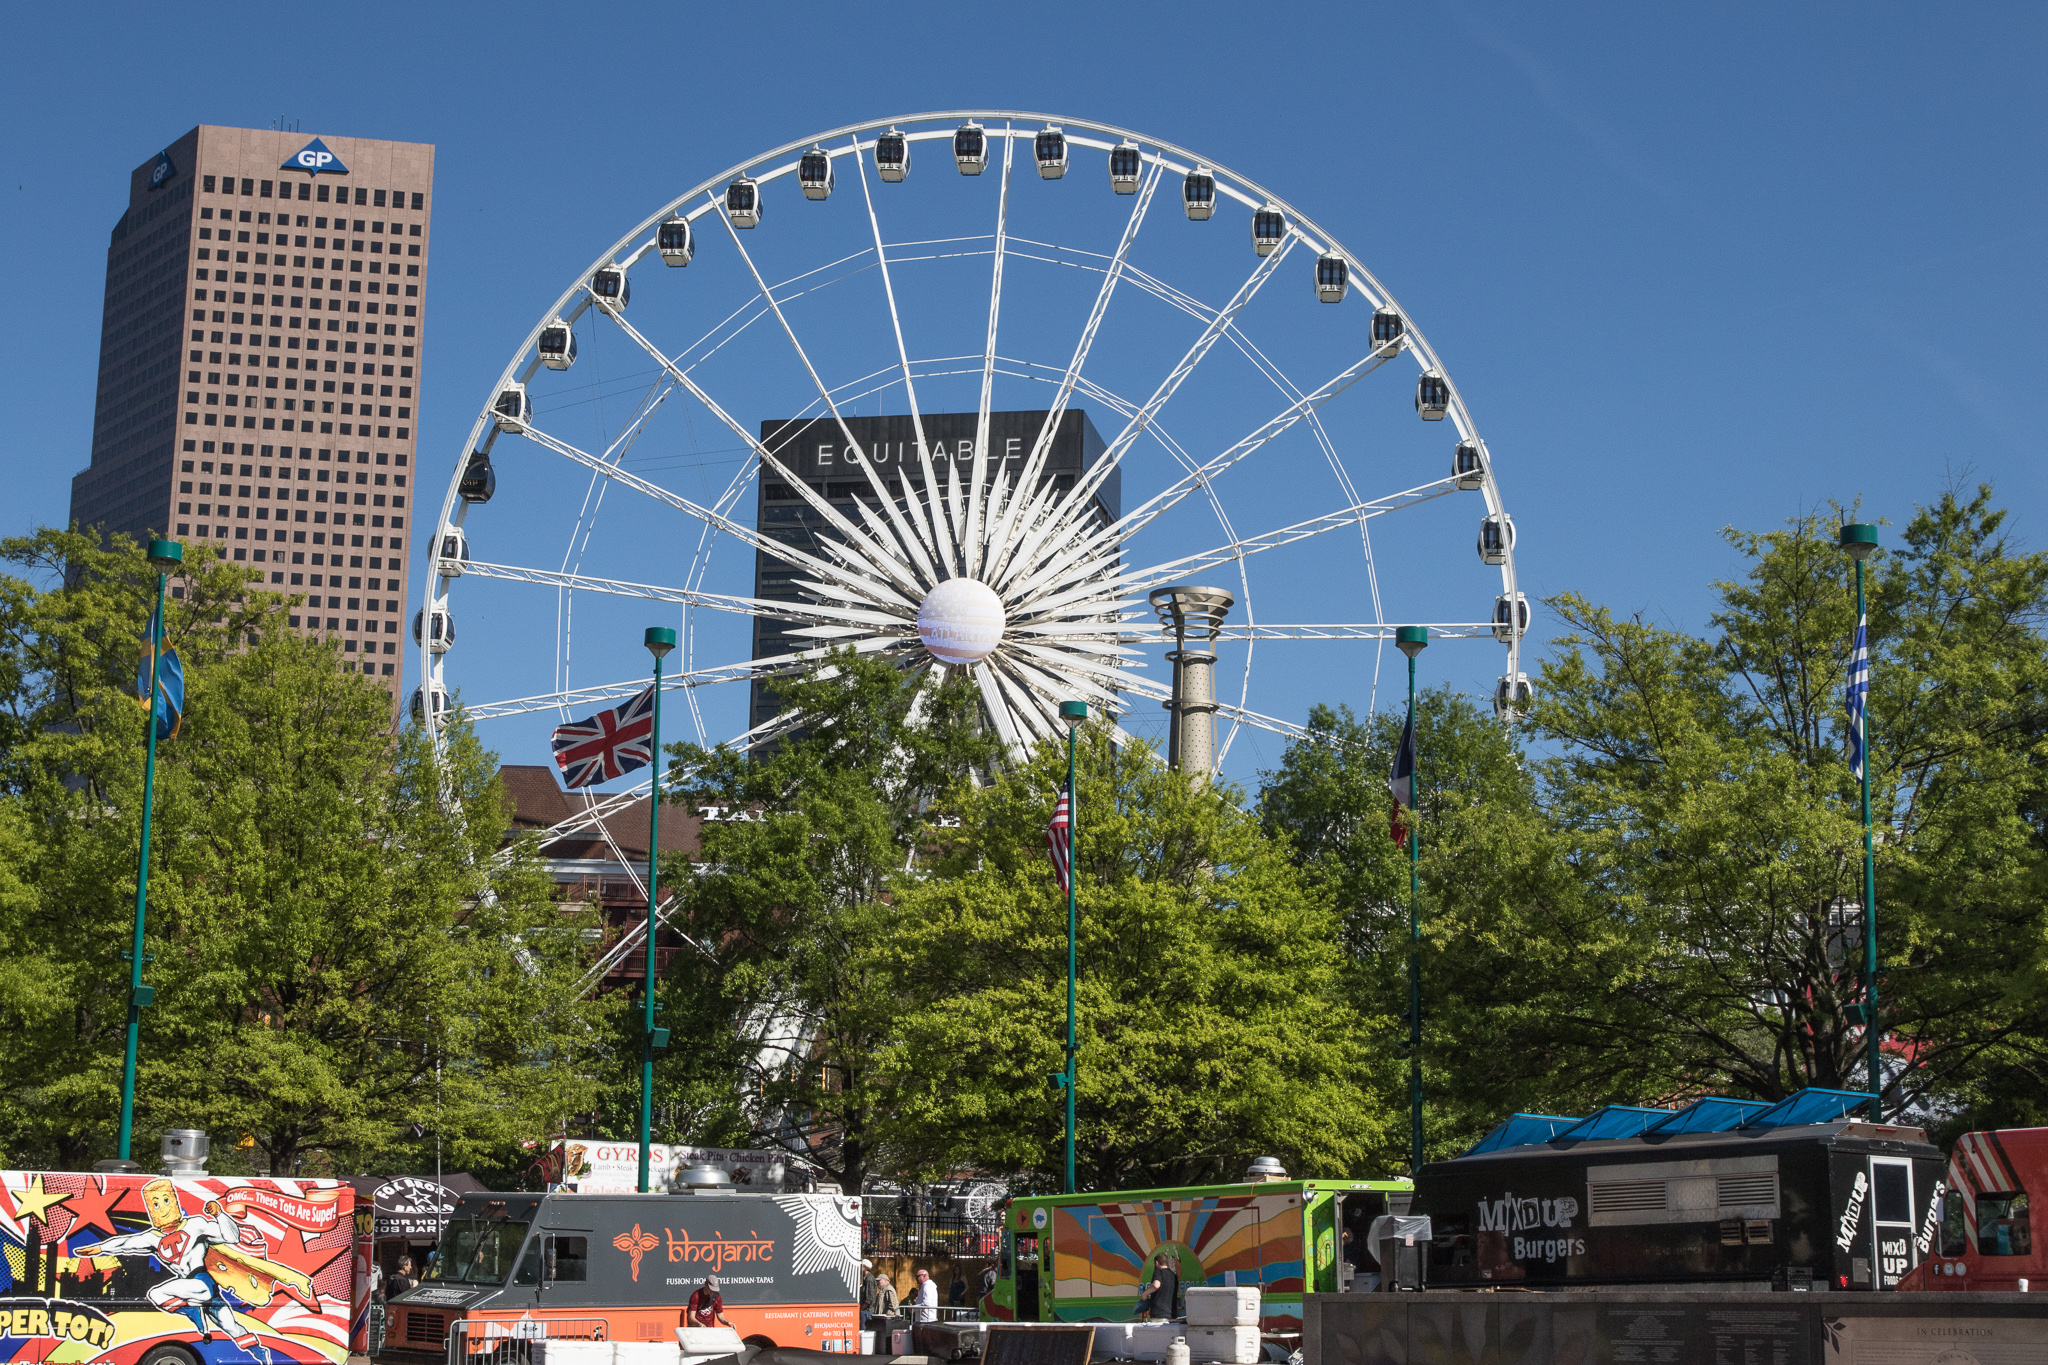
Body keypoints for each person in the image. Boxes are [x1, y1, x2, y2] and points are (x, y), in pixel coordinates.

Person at [1139, 1252, 1178, 1322]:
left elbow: (1156, 1285)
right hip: (1172, 1314)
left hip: (1159, 1314)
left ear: (1157, 1263)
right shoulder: (1173, 1275)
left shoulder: (1159, 1272)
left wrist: (1145, 1293)